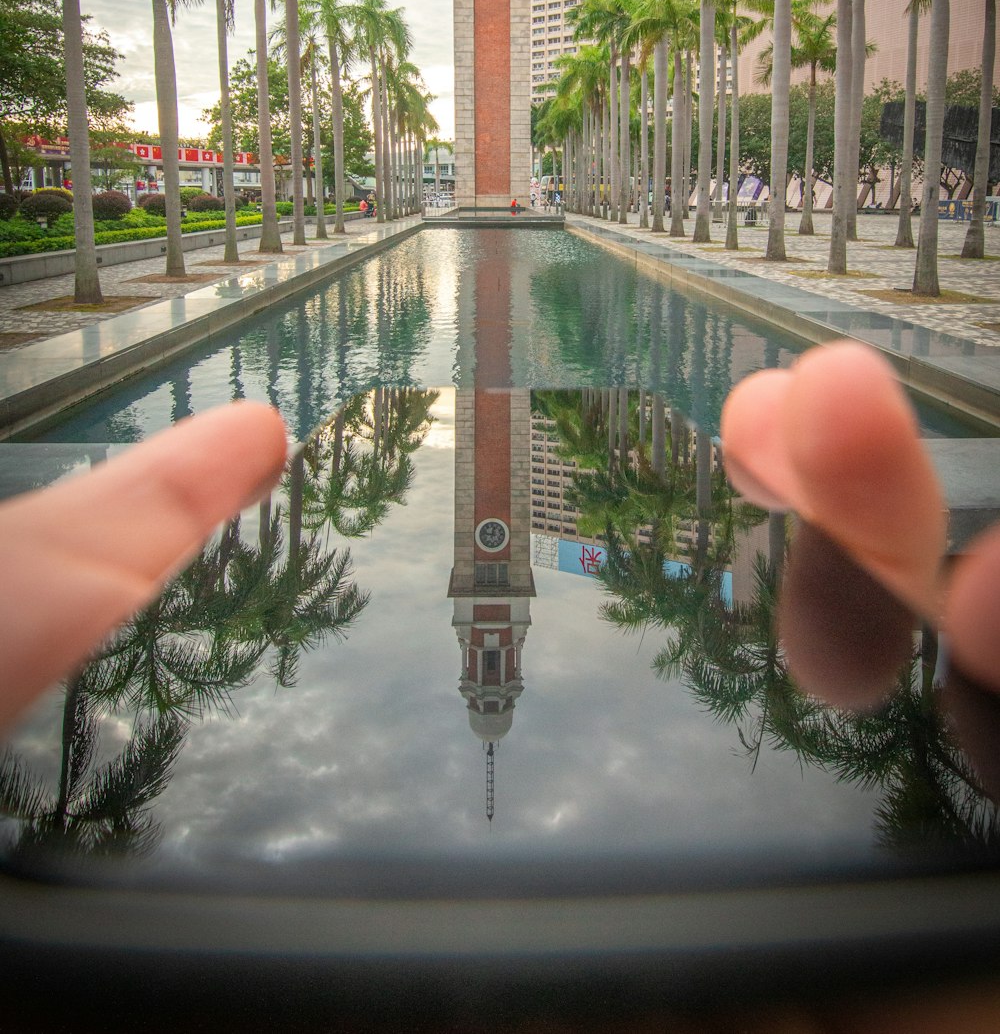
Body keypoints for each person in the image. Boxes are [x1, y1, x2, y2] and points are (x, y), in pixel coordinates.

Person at [2, 343, 1000, 1028]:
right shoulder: (493, 615)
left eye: (494, 667)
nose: (493, 661)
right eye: (493, 668)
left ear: (500, 654)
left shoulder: (501, 609)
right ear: (492, 656)